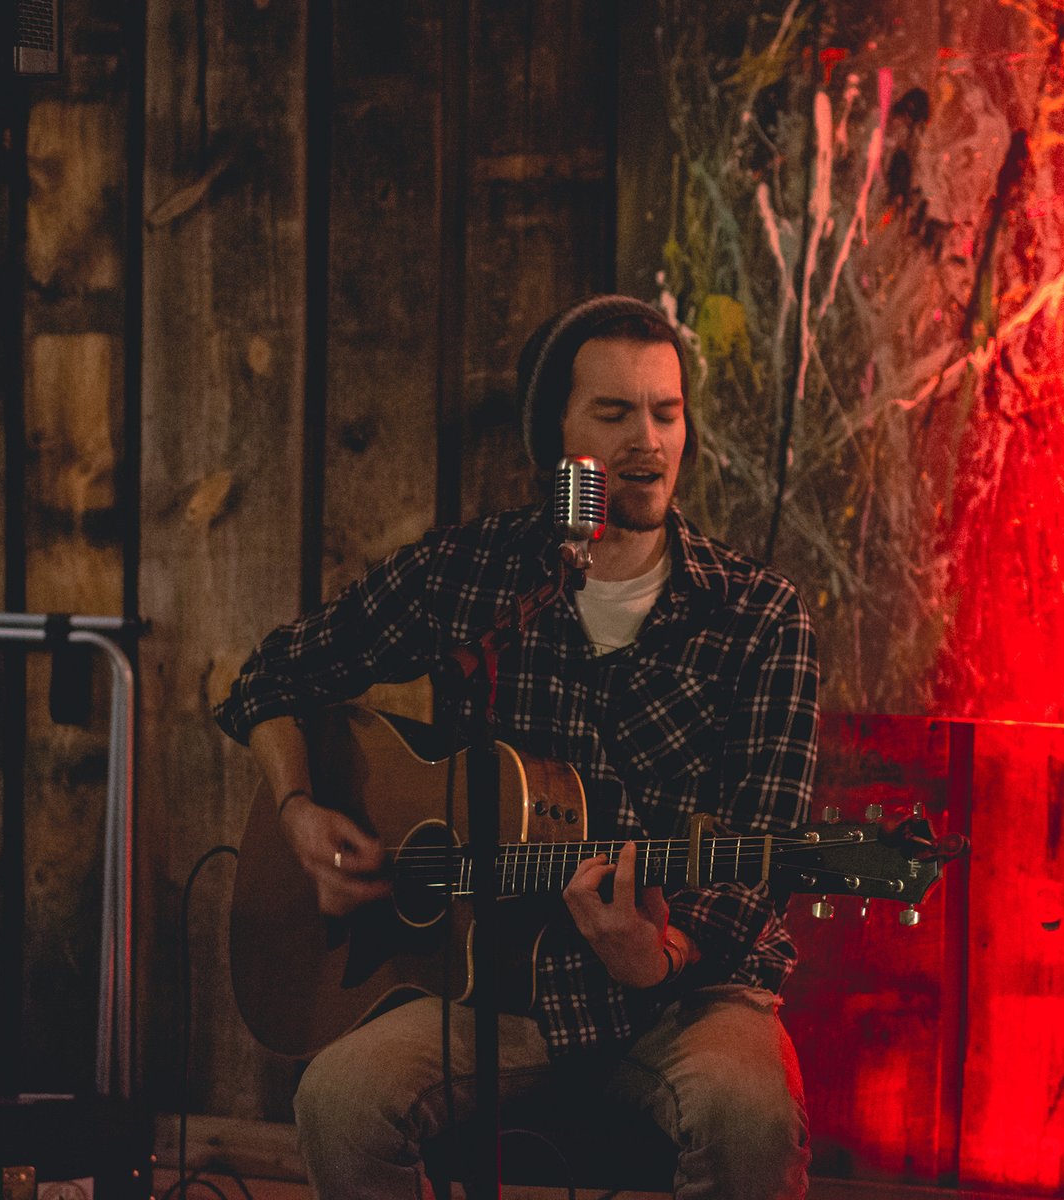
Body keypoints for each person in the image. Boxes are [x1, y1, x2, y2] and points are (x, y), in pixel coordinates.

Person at [214, 294, 819, 1200]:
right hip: (491, 987)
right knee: (338, 1102)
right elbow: (271, 679)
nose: (646, 441)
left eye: (666, 411)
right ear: (556, 437)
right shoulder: (475, 573)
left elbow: (760, 852)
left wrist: (659, 952)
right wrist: (300, 809)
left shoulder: (760, 616)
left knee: (749, 1118)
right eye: (613, 414)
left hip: (688, 994)